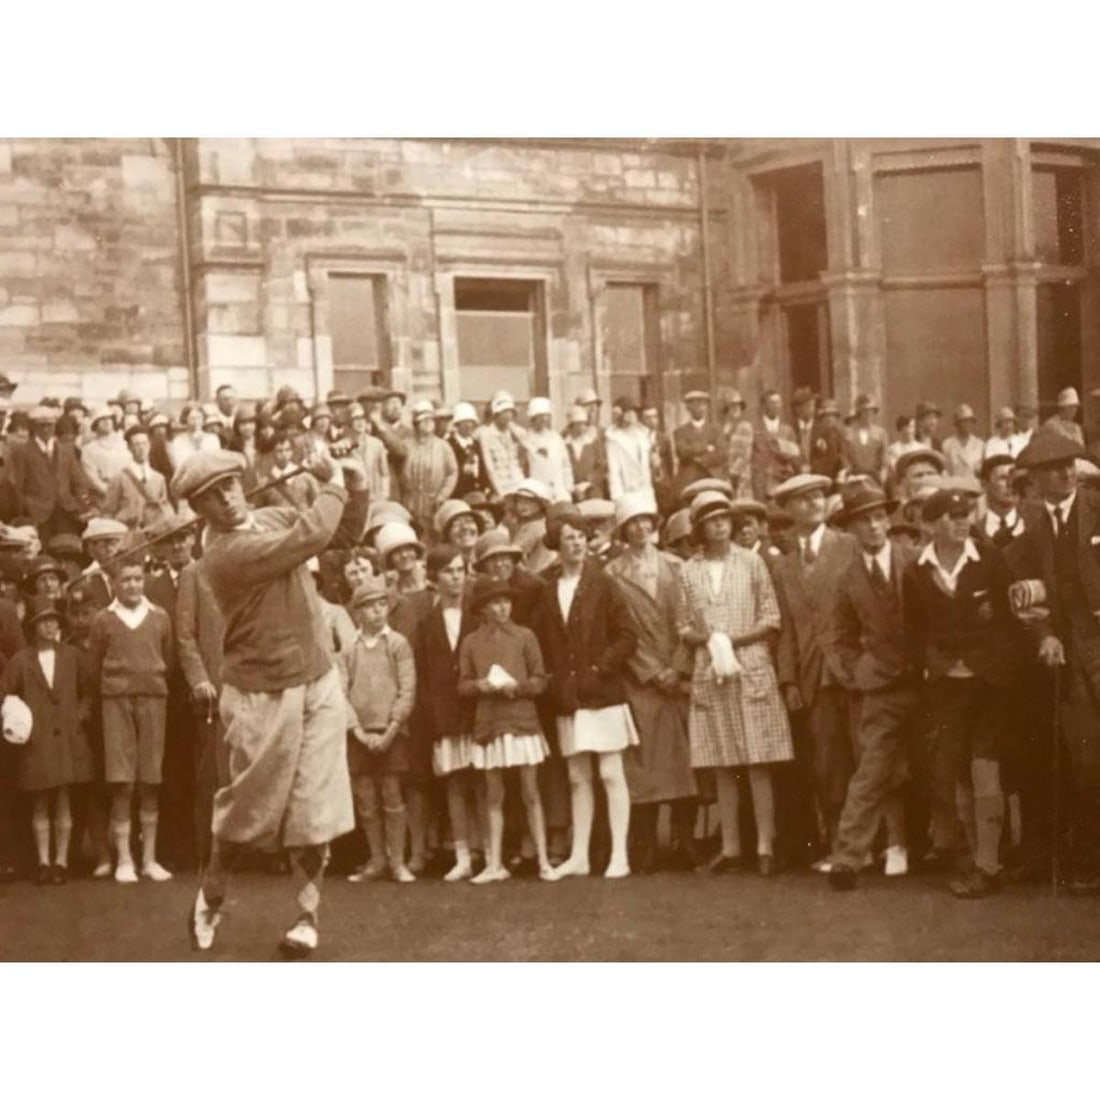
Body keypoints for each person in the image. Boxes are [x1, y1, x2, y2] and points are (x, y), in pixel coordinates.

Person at [176, 447, 361, 957]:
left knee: (313, 810)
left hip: (317, 680)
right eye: (211, 496)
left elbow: (341, 535)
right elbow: (313, 535)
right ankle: (212, 893)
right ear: (199, 510)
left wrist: (356, 483)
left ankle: (306, 917)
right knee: (246, 816)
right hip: (259, 692)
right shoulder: (222, 557)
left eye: (231, 485)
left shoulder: (273, 515)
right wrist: (332, 482)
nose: (227, 499)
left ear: (242, 482)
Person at [904, 487, 1017, 899]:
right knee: (956, 773)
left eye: (966, 514)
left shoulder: (989, 560)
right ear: (931, 524)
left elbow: (1008, 620)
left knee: (984, 766)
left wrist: (993, 664)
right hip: (947, 689)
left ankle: (990, 865)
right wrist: (937, 663)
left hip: (989, 684)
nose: (962, 522)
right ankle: (976, 857)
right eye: (952, 517)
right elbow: (913, 632)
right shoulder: (917, 570)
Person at [677, 490, 793, 875]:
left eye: (725, 518)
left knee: (758, 759)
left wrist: (735, 640)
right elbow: (684, 625)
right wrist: (710, 641)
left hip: (751, 664)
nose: (721, 525)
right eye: (712, 520)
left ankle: (765, 845)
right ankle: (730, 846)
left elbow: (770, 616)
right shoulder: (689, 570)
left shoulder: (751, 562)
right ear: (700, 528)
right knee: (723, 761)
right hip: (711, 669)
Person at [1009, 430, 1100, 892]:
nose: (1067, 472)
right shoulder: (1031, 522)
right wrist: (1044, 634)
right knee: (1086, 760)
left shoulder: (1097, 506)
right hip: (1070, 660)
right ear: (1037, 477)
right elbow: (1027, 589)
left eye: (1071, 464)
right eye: (1055, 467)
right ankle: (1088, 861)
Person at [535, 508, 639, 878]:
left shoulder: (605, 583)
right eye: (568, 538)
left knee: (611, 773)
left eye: (580, 536)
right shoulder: (547, 589)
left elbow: (627, 635)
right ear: (557, 547)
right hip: (568, 696)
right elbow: (545, 643)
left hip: (603, 692)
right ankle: (579, 856)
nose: (576, 543)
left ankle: (619, 855)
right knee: (578, 777)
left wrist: (600, 669)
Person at [825, 484, 918, 889]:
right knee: (871, 772)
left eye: (880, 517)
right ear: (850, 528)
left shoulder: (915, 561)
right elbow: (839, 636)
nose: (875, 526)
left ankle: (967, 855)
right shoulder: (847, 579)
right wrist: (857, 671)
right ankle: (848, 859)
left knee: (947, 768)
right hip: (880, 690)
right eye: (864, 520)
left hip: (928, 682)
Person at [605, 492, 698, 872]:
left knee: (684, 763)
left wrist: (677, 666)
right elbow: (618, 629)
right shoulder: (612, 574)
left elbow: (691, 621)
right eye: (633, 523)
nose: (642, 528)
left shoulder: (678, 566)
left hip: (677, 677)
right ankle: (642, 846)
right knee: (643, 766)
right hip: (640, 680)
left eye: (647, 521)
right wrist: (649, 670)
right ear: (623, 531)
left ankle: (685, 842)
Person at [771, 473, 858, 863]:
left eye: (819, 496)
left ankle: (884, 843)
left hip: (854, 669)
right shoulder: (785, 566)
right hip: (812, 676)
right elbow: (787, 628)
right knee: (828, 762)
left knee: (866, 753)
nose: (814, 503)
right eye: (803, 499)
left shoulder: (849, 546)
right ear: (788, 510)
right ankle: (839, 842)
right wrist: (788, 679)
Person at [459, 576, 558, 883]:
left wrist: (519, 687)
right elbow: (462, 685)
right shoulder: (471, 642)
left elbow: (541, 679)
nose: (502, 608)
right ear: (483, 608)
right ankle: (494, 864)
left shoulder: (525, 636)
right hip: (489, 721)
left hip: (522, 720)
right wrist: (480, 685)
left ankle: (543, 860)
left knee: (531, 792)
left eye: (506, 602)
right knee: (493, 795)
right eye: (495, 603)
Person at [87, 553, 175, 885]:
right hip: (116, 701)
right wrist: (116, 689)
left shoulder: (160, 617)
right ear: (115, 583)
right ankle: (124, 858)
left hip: (153, 699)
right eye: (126, 579)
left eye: (138, 578)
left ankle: (149, 859)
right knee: (122, 779)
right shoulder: (103, 620)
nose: (133, 585)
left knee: (150, 778)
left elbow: (167, 658)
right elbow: (95, 666)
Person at [1, 597, 94, 884]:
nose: (50, 626)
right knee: (40, 803)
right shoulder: (21, 660)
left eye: (54, 621)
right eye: (44, 621)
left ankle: (61, 861)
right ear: (33, 627)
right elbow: (6, 692)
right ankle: (43, 861)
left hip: (68, 739)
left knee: (64, 801)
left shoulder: (72, 656)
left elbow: (89, 691)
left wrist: (80, 715)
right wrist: (17, 720)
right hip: (37, 741)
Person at [340, 577, 417, 884]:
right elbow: (340, 693)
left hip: (392, 733)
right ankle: (377, 860)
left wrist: (392, 729)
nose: (377, 612)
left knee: (391, 794)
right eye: (369, 606)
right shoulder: (349, 649)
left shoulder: (397, 644)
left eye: (381, 604)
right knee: (366, 798)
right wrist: (357, 731)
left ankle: (398, 862)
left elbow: (407, 689)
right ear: (358, 612)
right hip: (360, 734)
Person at [414, 544, 481, 881]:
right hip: (445, 715)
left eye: (460, 571)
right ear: (434, 578)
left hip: (479, 711)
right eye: (448, 572)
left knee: (484, 781)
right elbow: (424, 677)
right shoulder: (426, 624)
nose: (456, 578)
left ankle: (490, 850)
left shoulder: (479, 616)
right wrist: (434, 719)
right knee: (455, 782)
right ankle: (463, 854)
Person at [8, 406, 93, 539]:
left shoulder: (66, 451)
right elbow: (17, 486)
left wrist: (80, 504)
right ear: (34, 427)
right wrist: (26, 508)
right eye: (42, 426)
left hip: (67, 512)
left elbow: (80, 481)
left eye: (50, 425)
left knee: (68, 549)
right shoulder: (22, 452)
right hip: (37, 514)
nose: (47, 429)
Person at [103, 423, 174, 531]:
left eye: (144, 443)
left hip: (153, 536)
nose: (142, 448)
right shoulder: (119, 478)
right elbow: (108, 513)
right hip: (127, 536)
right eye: (136, 444)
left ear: (149, 445)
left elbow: (166, 510)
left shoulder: (159, 478)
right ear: (129, 447)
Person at [401, 400, 458, 535]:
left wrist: (443, 495)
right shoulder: (405, 445)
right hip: (410, 504)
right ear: (416, 424)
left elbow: (452, 472)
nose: (427, 423)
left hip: (434, 504)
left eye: (430, 420)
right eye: (423, 420)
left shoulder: (443, 446)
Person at [673, 390, 728, 498]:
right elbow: (683, 453)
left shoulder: (716, 430)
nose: (700, 408)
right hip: (689, 481)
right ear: (688, 408)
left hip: (712, 477)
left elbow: (722, 454)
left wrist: (701, 460)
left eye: (703, 404)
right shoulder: (680, 432)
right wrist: (707, 447)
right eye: (695, 404)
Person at [522, 397, 573, 502]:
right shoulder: (526, 439)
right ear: (533, 418)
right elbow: (523, 470)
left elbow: (565, 465)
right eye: (540, 416)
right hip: (537, 493)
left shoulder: (556, 437)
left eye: (546, 416)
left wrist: (568, 489)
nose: (544, 419)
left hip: (560, 492)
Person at [478, 391, 527, 501]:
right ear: (496, 414)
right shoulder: (486, 434)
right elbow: (490, 468)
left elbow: (522, 460)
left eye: (510, 412)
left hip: (518, 483)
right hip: (500, 488)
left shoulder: (516, 432)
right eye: (504, 412)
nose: (508, 416)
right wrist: (501, 493)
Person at [604, 396, 653, 499]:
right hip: (627, 492)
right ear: (620, 415)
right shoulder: (614, 439)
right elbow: (614, 472)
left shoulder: (642, 435)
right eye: (627, 411)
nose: (632, 415)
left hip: (646, 491)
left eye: (633, 411)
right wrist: (617, 497)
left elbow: (646, 466)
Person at [80, 408, 129, 510]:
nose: (107, 422)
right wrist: (112, 494)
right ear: (95, 425)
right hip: (104, 498)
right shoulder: (89, 450)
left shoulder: (124, 444)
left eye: (109, 418)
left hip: (128, 494)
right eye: (102, 419)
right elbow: (93, 479)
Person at [259, 431, 319, 511]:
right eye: (279, 451)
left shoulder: (305, 477)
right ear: (272, 453)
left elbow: (318, 506)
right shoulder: (267, 482)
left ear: (292, 452)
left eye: (287, 450)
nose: (284, 454)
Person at [344, 402, 390, 502]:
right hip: (354, 500)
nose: (360, 422)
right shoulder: (343, 446)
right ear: (349, 422)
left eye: (362, 418)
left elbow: (385, 473)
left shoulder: (377, 444)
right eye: (355, 418)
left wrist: (384, 495)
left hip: (375, 498)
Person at [976, 455, 1025, 546]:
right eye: (1003, 478)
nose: (1010, 484)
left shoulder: (1031, 527)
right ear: (985, 484)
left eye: (1013, 478)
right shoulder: (975, 534)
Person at [564, 405, 608, 500]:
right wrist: (573, 488)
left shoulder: (593, 443)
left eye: (584, 424)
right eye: (578, 424)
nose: (582, 427)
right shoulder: (564, 445)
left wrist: (587, 483)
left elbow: (601, 467)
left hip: (593, 491)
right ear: (571, 426)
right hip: (571, 492)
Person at [842, 395, 888, 485]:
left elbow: (884, 458)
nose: (868, 414)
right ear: (859, 412)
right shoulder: (849, 433)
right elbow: (844, 456)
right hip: (854, 477)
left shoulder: (880, 433)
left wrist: (883, 475)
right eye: (865, 411)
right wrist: (849, 472)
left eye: (871, 411)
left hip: (875, 477)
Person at [447, 402, 488, 500]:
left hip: (479, 493)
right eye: (465, 422)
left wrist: (485, 487)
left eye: (471, 422)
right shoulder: (450, 445)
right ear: (457, 424)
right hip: (457, 495)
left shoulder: (476, 444)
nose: (469, 425)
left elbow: (482, 469)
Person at [942, 404, 985, 478]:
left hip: (974, 486)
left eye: (970, 421)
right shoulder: (947, 444)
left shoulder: (980, 444)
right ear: (957, 423)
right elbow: (945, 471)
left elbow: (982, 471)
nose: (967, 424)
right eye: (964, 421)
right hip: (954, 486)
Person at [791, 387, 817, 470]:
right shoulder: (791, 429)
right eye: (808, 406)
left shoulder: (821, 428)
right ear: (799, 409)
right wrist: (800, 467)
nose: (812, 409)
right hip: (797, 475)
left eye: (813, 405)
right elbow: (790, 454)